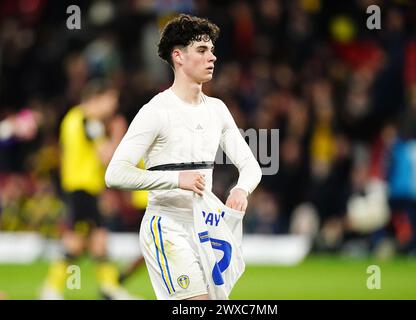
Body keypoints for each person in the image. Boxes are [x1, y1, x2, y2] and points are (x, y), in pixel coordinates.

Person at [105, 14, 262, 300]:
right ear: (178, 56)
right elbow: (115, 173)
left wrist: (242, 188)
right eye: (202, 50)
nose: (211, 57)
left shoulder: (217, 109)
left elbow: (251, 165)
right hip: (167, 224)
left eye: (212, 50)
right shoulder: (156, 111)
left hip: (207, 225)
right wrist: (177, 179)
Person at [40, 79, 135, 299]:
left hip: (80, 187)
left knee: (98, 240)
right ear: (98, 98)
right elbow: (106, 156)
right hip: (82, 188)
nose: (113, 106)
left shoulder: (73, 119)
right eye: (111, 100)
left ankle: (108, 288)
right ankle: (52, 289)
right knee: (76, 242)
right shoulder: (87, 121)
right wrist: (118, 134)